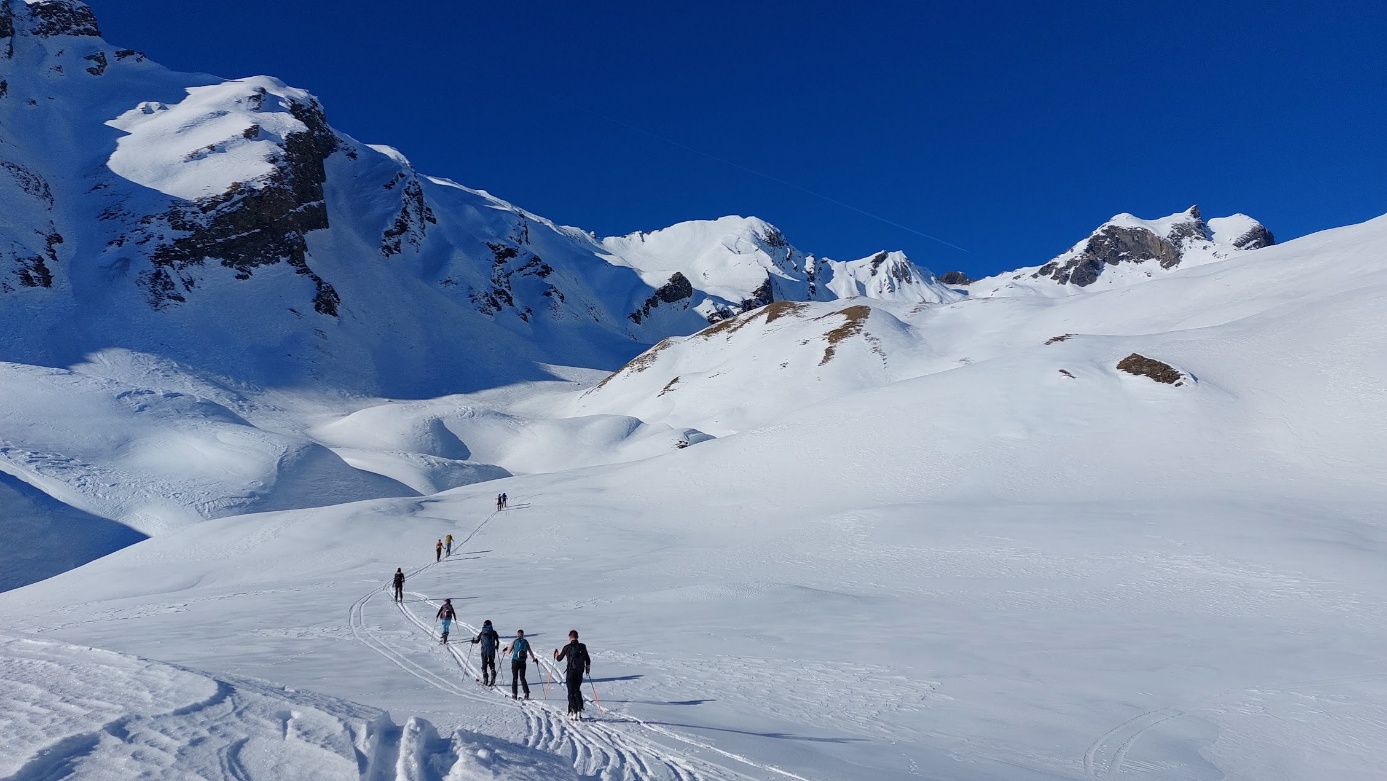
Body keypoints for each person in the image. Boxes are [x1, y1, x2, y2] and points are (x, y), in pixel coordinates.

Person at [554, 630, 591, 720]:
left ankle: (573, 710)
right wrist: (587, 669)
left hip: (571, 672)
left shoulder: (567, 647)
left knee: (571, 692)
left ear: (570, 637)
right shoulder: (583, 647)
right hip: (580, 671)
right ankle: (578, 710)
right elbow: (588, 659)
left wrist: (556, 654)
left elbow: (559, 659)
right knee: (577, 690)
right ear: (577, 637)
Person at [502, 629, 539, 699]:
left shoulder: (515, 641)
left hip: (515, 661)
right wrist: (534, 659)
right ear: (523, 635)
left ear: (517, 634)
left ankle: (514, 694)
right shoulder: (525, 642)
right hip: (523, 662)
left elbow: (509, 651)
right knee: (522, 677)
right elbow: (530, 651)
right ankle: (526, 693)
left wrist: (504, 652)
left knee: (515, 678)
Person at [470, 619, 500, 686]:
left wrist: (473, 641)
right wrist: (496, 646)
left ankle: (485, 679)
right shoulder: (493, 632)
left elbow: (477, 641)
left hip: (484, 651)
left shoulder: (482, 632)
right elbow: (497, 641)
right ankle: (493, 674)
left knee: (484, 664)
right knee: (492, 663)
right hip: (492, 650)